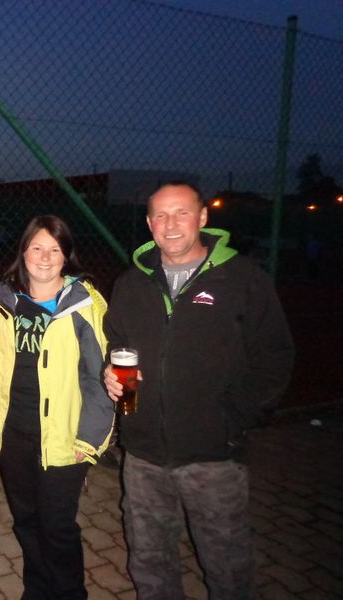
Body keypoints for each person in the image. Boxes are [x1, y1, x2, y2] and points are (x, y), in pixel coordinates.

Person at [104, 182, 294, 599]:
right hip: (143, 453)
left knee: (228, 566)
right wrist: (110, 373)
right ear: (149, 223)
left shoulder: (242, 279)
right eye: (160, 215)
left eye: (182, 213)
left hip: (213, 456)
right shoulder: (131, 283)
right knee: (150, 562)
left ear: (203, 217)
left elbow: (274, 357)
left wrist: (231, 421)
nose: (170, 224)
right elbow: (116, 342)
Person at [0, 215, 114, 599]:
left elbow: (100, 377)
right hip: (12, 433)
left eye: (54, 249)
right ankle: (37, 590)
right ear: (23, 252)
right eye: (37, 247)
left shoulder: (83, 305)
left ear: (65, 256)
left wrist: (90, 438)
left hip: (63, 437)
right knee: (25, 521)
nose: (44, 257)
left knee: (57, 526)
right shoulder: (2, 301)